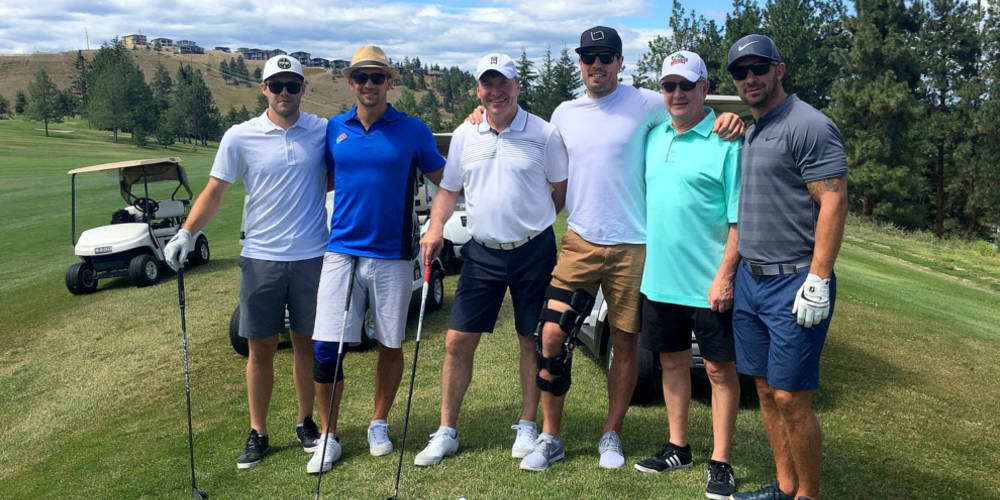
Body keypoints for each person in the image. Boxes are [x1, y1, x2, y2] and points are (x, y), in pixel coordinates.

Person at [518, 26, 745, 472]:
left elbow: (693, 115)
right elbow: (520, 131)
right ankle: (550, 435)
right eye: (589, 57)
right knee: (551, 334)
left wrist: (728, 117)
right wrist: (479, 115)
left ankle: (612, 433)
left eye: (606, 57)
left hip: (635, 245)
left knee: (625, 343)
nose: (597, 65)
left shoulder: (646, 103)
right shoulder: (564, 113)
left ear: (620, 63)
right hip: (581, 239)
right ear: (580, 63)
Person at [164, 55, 328, 469]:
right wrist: (187, 232)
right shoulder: (240, 136)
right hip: (261, 256)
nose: (285, 93)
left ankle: (305, 422)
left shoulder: (323, 131)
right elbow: (216, 190)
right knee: (261, 347)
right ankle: (258, 431)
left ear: (303, 89)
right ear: (264, 90)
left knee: (306, 343)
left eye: (293, 85)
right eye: (277, 86)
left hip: (312, 254)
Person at [412, 53, 569, 467]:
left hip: (534, 250)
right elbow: (448, 189)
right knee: (456, 341)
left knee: (531, 340)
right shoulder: (466, 133)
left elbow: (560, 190)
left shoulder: (544, 133)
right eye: (488, 84)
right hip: (482, 252)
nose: (496, 91)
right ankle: (446, 430)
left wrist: (531, 221)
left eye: (504, 83)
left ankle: (528, 424)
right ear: (478, 89)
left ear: (518, 87)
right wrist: (434, 228)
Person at [306, 45, 445, 474]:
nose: (369, 84)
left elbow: (448, 182)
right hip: (342, 251)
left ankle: (378, 423)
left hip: (392, 255)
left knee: (390, 343)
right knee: (327, 347)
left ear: (390, 81)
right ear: (350, 81)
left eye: (377, 77)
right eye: (361, 77)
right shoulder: (334, 129)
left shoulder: (413, 129)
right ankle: (328, 434)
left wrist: (434, 224)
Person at [726, 34, 847, 500]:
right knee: (764, 388)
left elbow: (833, 202)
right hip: (751, 279)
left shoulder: (808, 124)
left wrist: (817, 278)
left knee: (791, 398)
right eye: (741, 71)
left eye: (759, 68)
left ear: (780, 69)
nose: (750, 78)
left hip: (795, 281)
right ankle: (784, 486)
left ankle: (807, 496)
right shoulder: (753, 127)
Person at [631, 50, 741, 500]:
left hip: (709, 282)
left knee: (718, 370)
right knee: (672, 362)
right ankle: (679, 446)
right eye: (668, 86)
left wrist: (726, 276)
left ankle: (721, 460)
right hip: (660, 279)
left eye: (685, 85)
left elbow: (739, 220)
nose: (676, 94)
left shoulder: (727, 141)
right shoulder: (654, 136)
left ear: (703, 89)